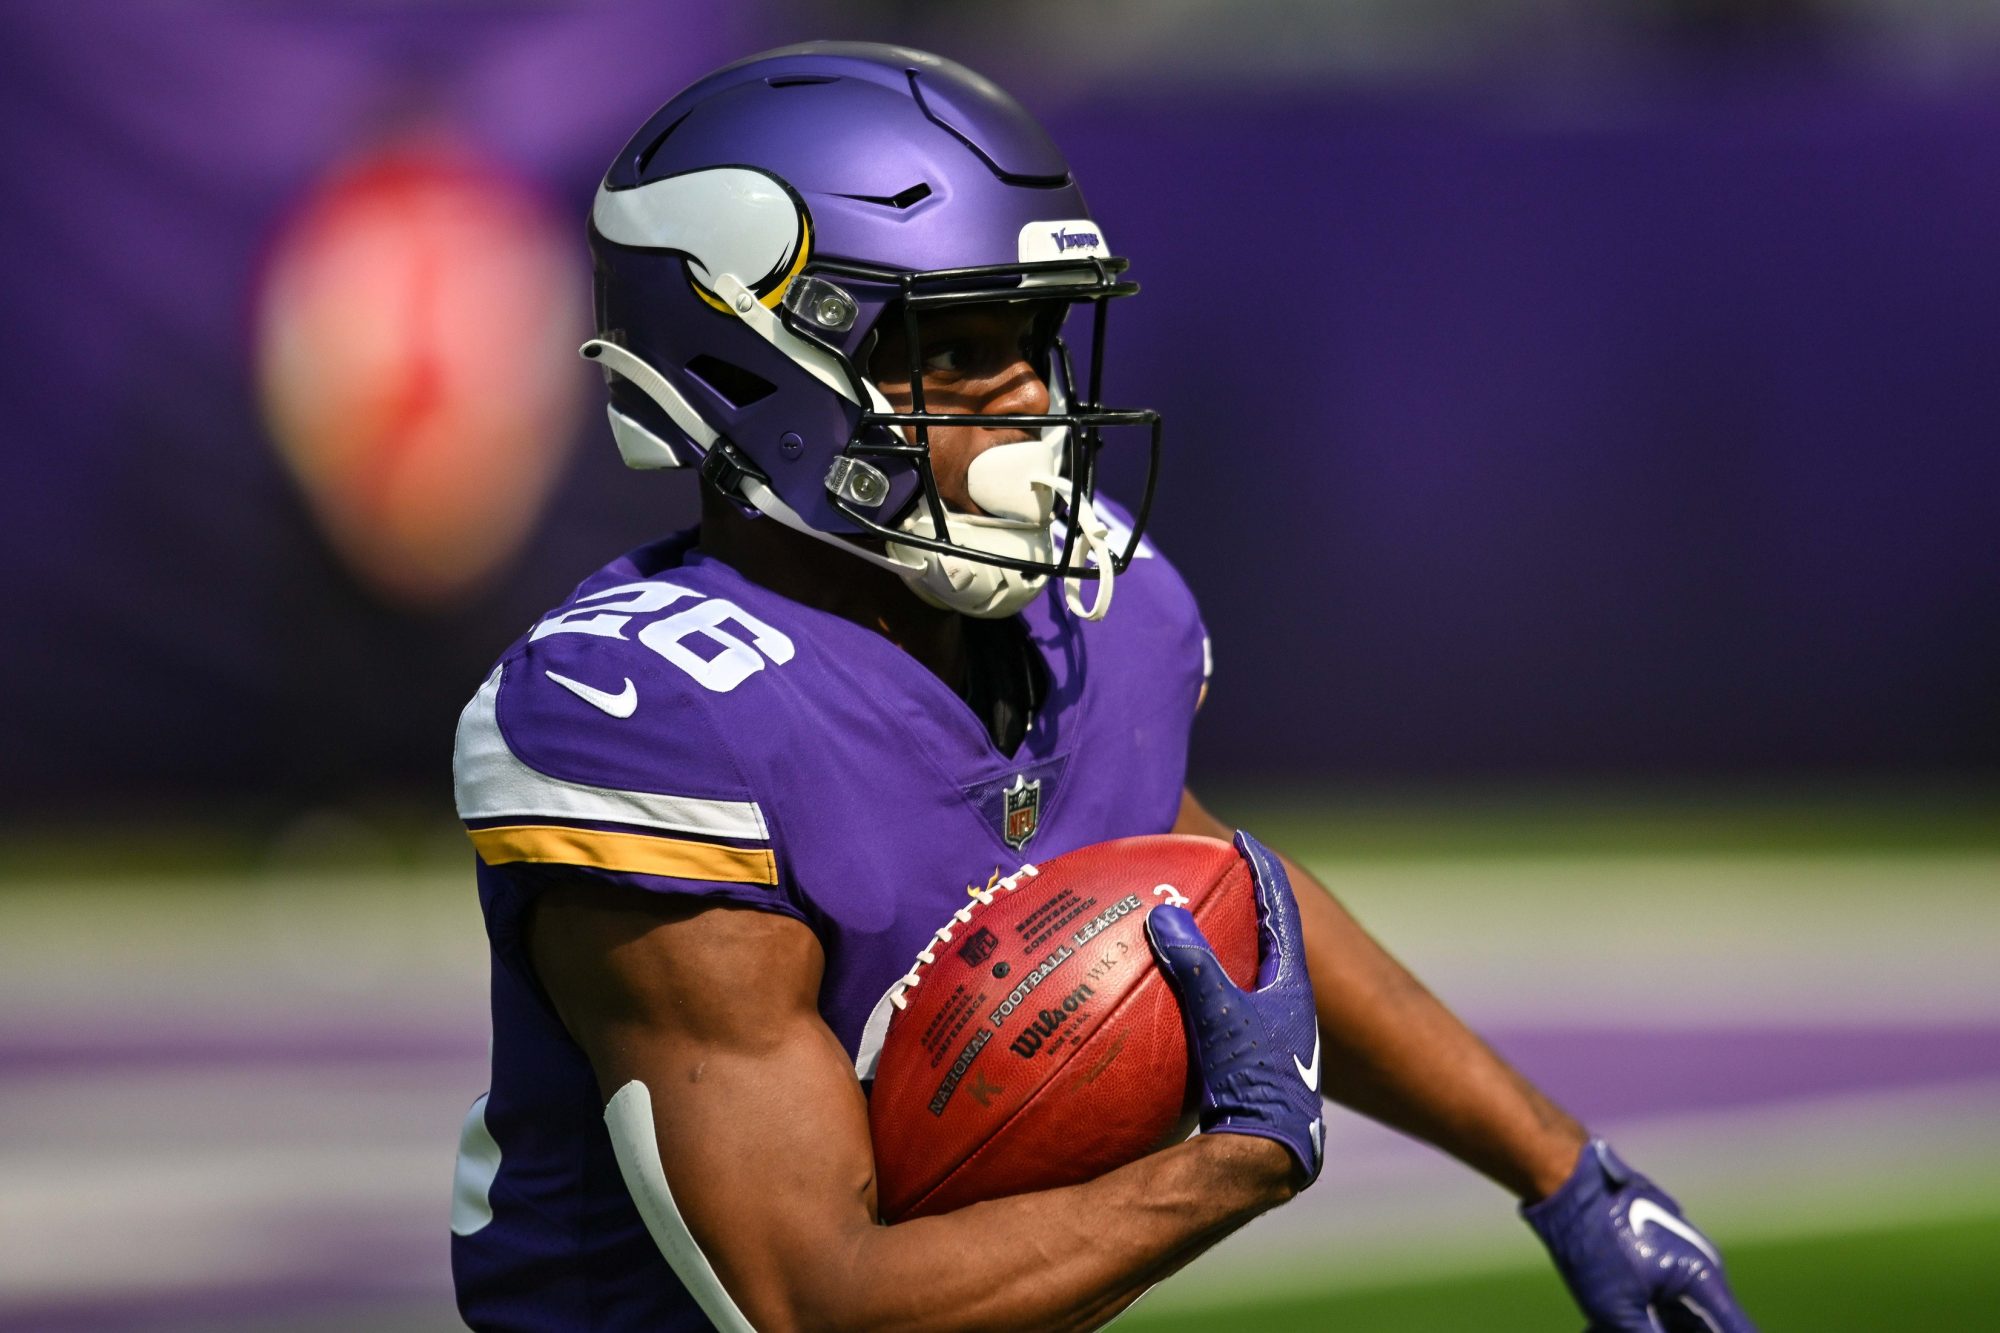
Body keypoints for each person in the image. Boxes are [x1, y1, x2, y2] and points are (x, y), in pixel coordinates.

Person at [449, 41, 1757, 1332]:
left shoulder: (1094, 615)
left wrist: (1565, 1170)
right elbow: (814, 1297)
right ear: (752, 363)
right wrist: (1226, 1167)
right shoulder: (651, 712)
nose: (1035, 405)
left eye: (1039, 339)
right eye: (958, 346)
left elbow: (1225, 893)